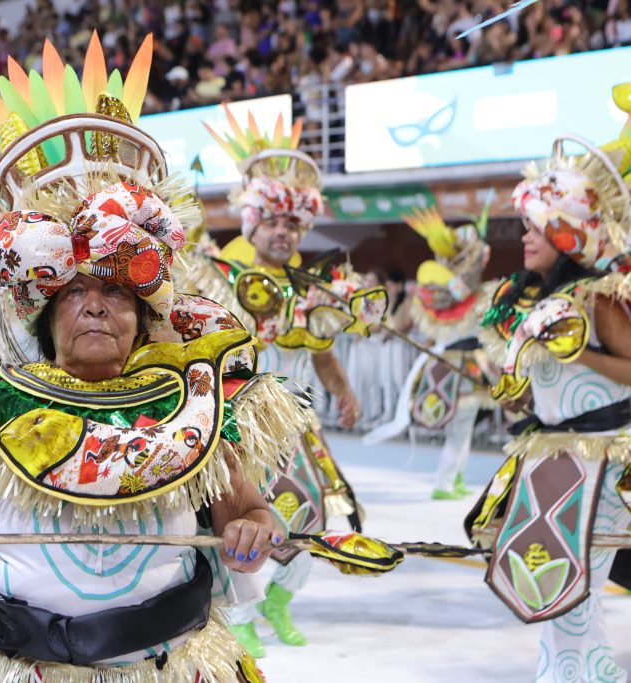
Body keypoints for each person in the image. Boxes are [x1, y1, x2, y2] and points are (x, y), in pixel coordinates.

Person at [0, 34, 401, 683]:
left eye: (116, 290)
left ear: (144, 316)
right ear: (45, 313)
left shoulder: (197, 405)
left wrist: (250, 534)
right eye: (74, 291)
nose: (96, 306)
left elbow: (244, 513)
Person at [186, 106, 389, 655]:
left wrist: (343, 390)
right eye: (273, 221)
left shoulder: (312, 284)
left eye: (293, 223)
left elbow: (321, 351)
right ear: (253, 220)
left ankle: (280, 600)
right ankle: (244, 609)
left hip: (298, 422)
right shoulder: (215, 273)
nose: (283, 232)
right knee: (241, 516)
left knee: (318, 513)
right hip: (236, 424)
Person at [469, 82, 631, 682]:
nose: (527, 236)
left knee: (576, 597)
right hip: (552, 459)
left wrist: (581, 355)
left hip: (601, 463)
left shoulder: (599, 297)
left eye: (538, 226)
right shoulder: (535, 299)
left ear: (566, 232)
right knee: (560, 600)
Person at [364, 199, 497, 499]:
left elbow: (416, 328)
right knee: (461, 429)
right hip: (461, 366)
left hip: (451, 364)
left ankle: (455, 478)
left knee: (465, 428)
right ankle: (444, 483)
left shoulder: (451, 299)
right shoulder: (475, 298)